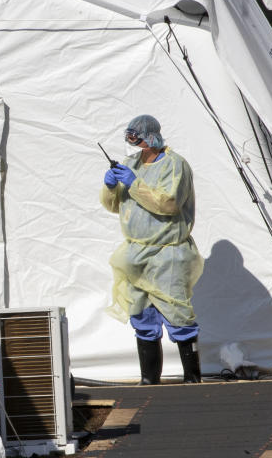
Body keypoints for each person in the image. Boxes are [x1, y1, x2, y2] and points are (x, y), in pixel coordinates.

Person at [100, 114, 204, 384]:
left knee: (178, 315)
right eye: (130, 136)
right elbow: (115, 206)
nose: (134, 142)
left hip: (167, 253)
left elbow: (169, 204)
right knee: (142, 316)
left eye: (138, 136)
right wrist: (110, 188)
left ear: (150, 135)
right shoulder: (131, 163)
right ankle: (149, 381)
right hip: (136, 255)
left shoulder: (175, 165)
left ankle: (192, 379)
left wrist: (135, 184)